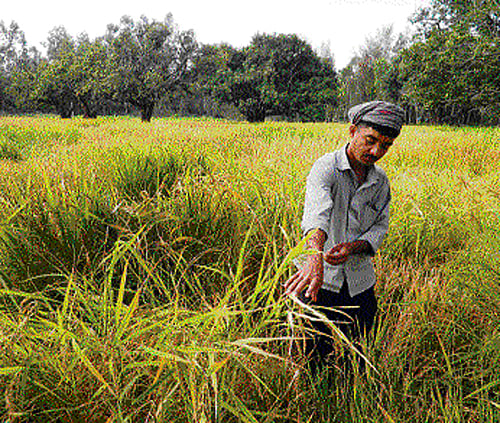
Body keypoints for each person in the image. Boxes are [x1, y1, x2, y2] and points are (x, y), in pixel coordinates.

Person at [284, 100, 405, 375]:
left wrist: (352, 247)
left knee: (361, 352)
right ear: (352, 131)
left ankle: (354, 397)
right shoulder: (325, 168)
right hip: (319, 280)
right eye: (370, 140)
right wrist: (316, 256)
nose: (376, 151)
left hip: (360, 282)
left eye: (385, 146)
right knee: (314, 356)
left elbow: (379, 228)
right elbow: (317, 214)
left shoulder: (380, 181)